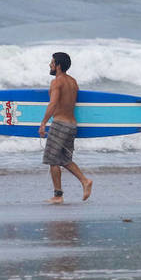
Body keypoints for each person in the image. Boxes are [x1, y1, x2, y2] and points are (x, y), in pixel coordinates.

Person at [38, 52, 93, 203]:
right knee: (64, 159)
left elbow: (53, 103)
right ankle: (85, 181)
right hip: (71, 125)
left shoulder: (57, 82)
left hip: (60, 124)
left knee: (53, 160)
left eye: (52, 62)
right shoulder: (73, 82)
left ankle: (58, 196)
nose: (50, 65)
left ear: (58, 66)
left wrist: (43, 122)